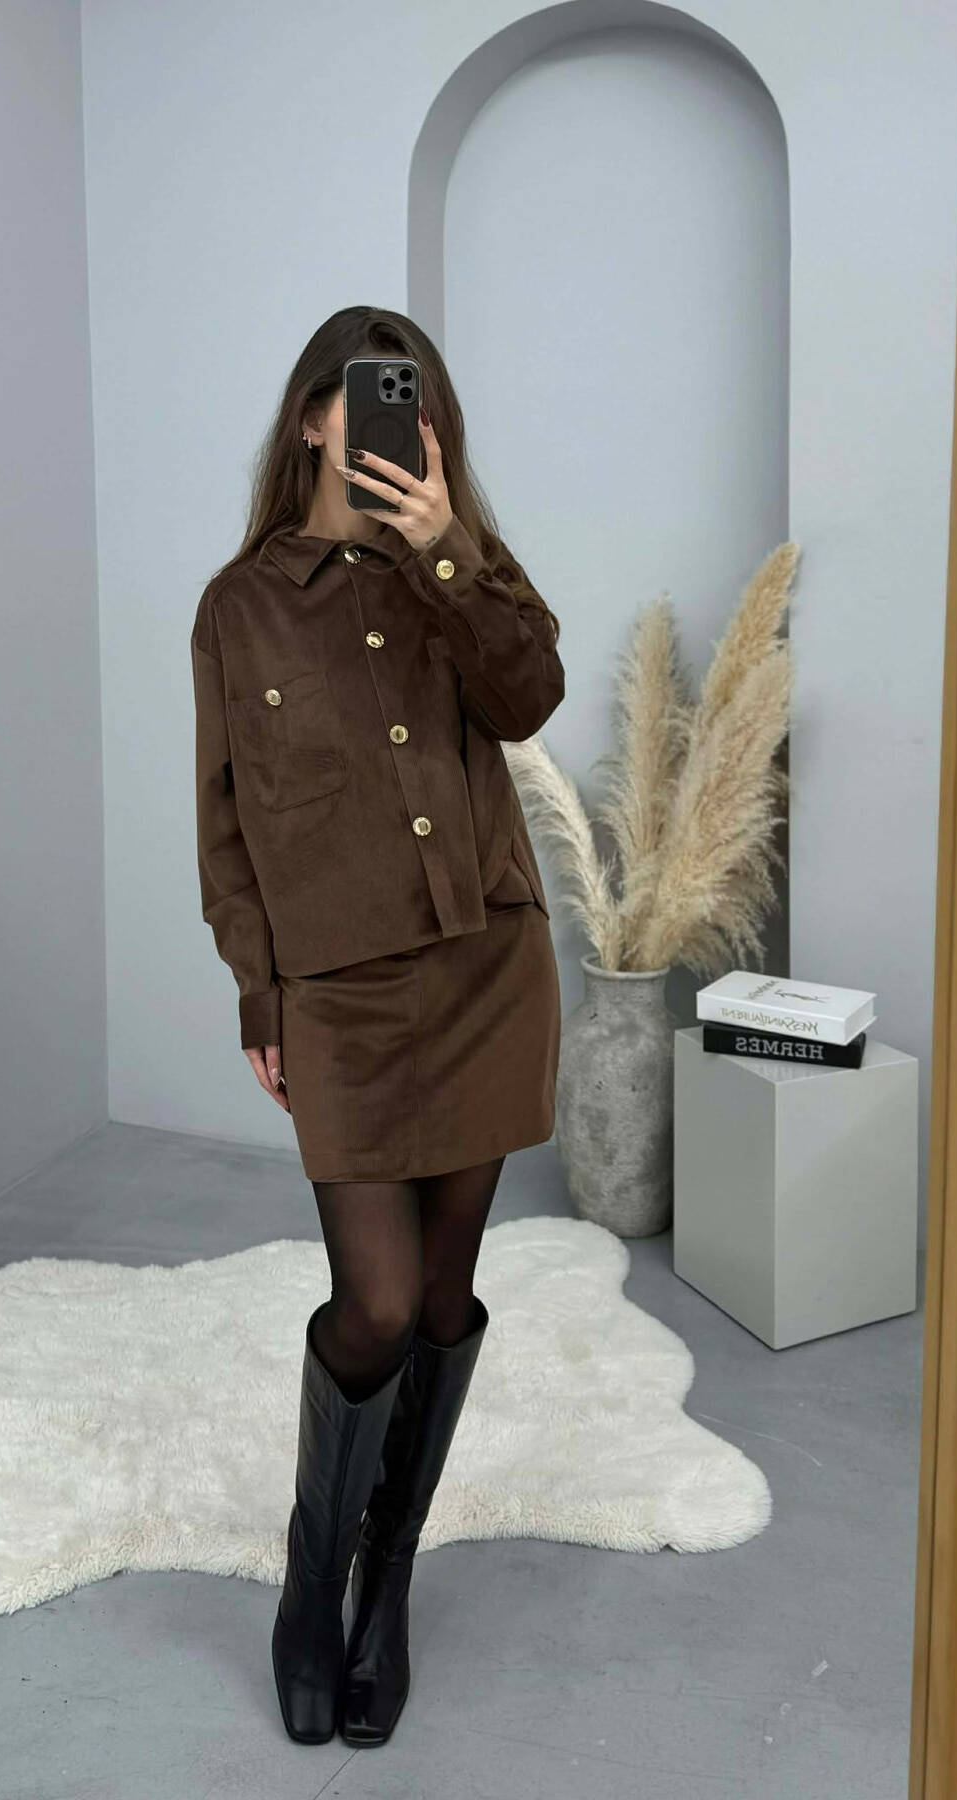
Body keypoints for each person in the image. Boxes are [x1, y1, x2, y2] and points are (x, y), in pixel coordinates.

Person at [190, 306, 566, 1746]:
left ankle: (384, 1584)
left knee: (448, 1299)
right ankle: (312, 1582)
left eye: (420, 407)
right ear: (312, 420)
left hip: (485, 972)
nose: (401, 427)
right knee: (381, 1307)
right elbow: (227, 823)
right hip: (342, 993)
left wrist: (446, 545)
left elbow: (528, 699)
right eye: (369, 400)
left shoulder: (460, 572)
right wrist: (260, 988)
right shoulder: (238, 607)